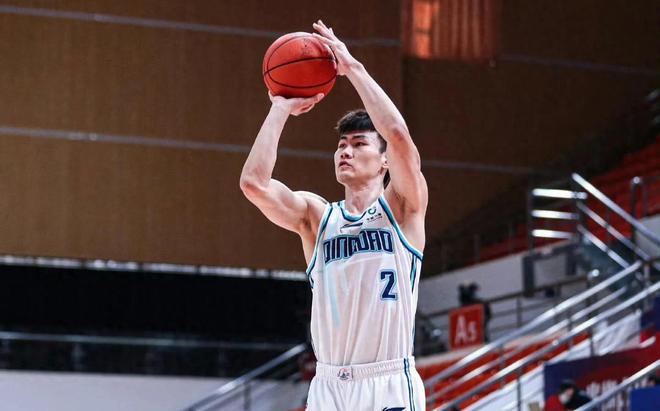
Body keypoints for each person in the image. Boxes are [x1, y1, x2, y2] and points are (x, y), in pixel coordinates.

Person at [240, 19, 428, 411]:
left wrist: (353, 68)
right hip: (329, 387)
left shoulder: (401, 207)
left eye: (359, 144)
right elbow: (254, 184)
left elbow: (398, 135)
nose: (345, 151)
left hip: (388, 382)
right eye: (341, 145)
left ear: (384, 162)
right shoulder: (317, 217)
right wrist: (279, 108)